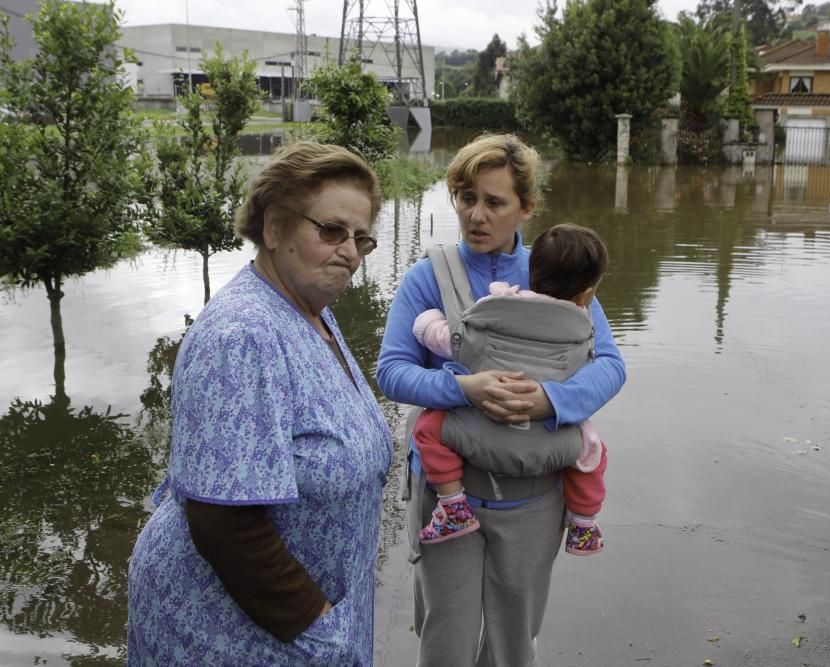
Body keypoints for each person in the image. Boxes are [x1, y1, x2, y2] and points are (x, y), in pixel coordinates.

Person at [127, 141, 393, 666]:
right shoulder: (242, 336)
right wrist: (320, 632)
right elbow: (226, 525)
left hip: (294, 628)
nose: (350, 251)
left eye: (362, 239)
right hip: (232, 635)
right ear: (274, 228)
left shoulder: (310, 310)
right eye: (331, 231)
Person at [376, 134, 626, 665]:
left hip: (533, 495)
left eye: (495, 202)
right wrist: (461, 387)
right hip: (449, 492)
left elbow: (610, 365)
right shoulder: (428, 277)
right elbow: (392, 372)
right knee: (446, 638)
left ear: (526, 208)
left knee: (515, 643)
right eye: (467, 199)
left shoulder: (561, 273)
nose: (477, 216)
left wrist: (551, 401)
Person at [411, 223, 610, 557]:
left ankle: (452, 505)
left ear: (531, 273)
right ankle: (584, 522)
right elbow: (603, 367)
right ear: (586, 295)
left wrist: (427, 323)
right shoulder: (583, 327)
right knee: (592, 451)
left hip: (478, 433)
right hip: (552, 442)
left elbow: (454, 342)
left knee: (427, 428)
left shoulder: (498, 301)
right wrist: (551, 400)